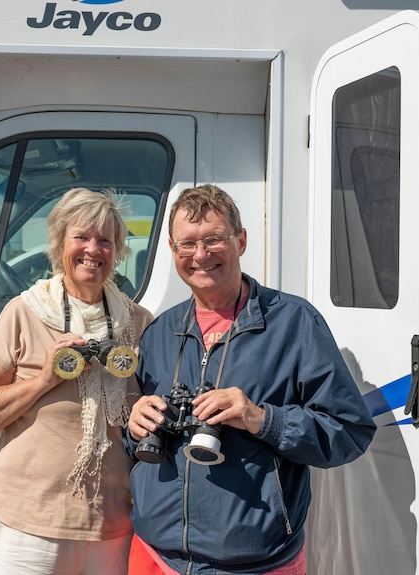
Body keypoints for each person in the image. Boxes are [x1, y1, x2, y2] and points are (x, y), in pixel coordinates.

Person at [126, 184, 377, 575]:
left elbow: (349, 431)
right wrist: (135, 424)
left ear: (240, 241)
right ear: (174, 252)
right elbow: (136, 443)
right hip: (155, 554)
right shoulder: (160, 332)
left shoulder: (294, 323)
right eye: (188, 244)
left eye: (214, 239)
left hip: (255, 563)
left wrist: (263, 420)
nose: (201, 255)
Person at [0, 187, 154, 575]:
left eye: (105, 240)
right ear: (59, 242)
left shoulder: (138, 323)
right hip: (30, 526)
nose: (93, 250)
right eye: (81, 237)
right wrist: (44, 380)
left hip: (111, 525)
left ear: (117, 250)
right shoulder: (24, 313)